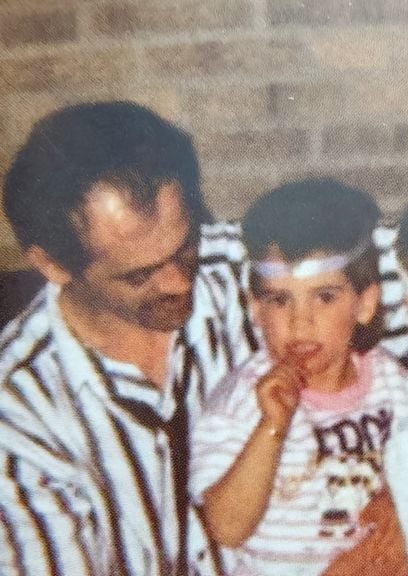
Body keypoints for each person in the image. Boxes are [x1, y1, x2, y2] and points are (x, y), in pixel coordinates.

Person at [0, 102, 257, 575]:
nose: (180, 284)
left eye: (185, 247)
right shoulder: (20, 419)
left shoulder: (248, 269)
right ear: (53, 266)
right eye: (140, 274)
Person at [188, 179, 408, 576]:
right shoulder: (241, 399)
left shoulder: (393, 383)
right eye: (279, 299)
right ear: (255, 307)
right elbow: (226, 528)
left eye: (324, 297)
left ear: (365, 304)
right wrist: (272, 426)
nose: (299, 321)